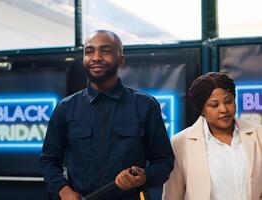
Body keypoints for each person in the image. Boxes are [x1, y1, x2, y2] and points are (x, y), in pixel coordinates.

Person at [39, 30, 174, 200]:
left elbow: (164, 161)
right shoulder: (66, 108)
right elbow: (48, 161)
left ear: (121, 59)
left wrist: (144, 176)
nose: (96, 57)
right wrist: (63, 190)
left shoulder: (145, 105)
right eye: (89, 51)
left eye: (106, 51)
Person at [163, 72, 262, 200]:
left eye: (228, 101)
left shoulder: (258, 135)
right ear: (201, 109)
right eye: (214, 105)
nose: (224, 109)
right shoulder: (180, 143)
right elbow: (172, 195)